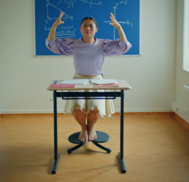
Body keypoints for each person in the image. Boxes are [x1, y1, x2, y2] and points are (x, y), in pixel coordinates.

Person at [46, 11, 132, 143]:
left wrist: (119, 27)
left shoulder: (103, 44)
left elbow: (123, 46)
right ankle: (83, 128)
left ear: (96, 29)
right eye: (85, 26)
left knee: (95, 107)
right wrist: (54, 27)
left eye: (91, 26)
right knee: (77, 107)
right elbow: (52, 44)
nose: (88, 28)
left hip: (96, 80)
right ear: (80, 29)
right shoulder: (74, 44)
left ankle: (91, 127)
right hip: (78, 80)